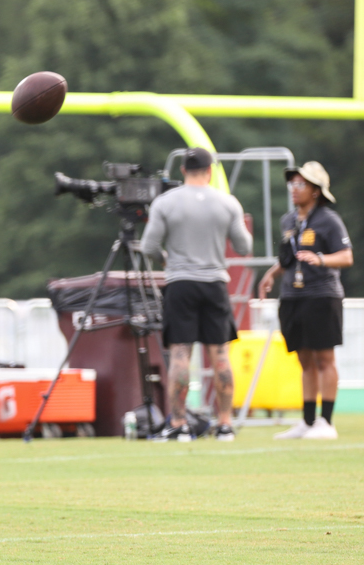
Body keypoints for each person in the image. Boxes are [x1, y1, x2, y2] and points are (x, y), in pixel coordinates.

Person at [140, 147, 252, 441]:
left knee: (180, 355)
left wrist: (167, 257)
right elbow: (243, 246)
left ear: (182, 171)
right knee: (220, 356)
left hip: (180, 282)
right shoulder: (227, 203)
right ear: (210, 171)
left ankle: (179, 424)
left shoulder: (165, 202)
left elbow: (148, 246)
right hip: (214, 282)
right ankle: (225, 424)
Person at [258, 161, 353, 439]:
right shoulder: (288, 221)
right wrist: (272, 274)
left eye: (300, 184)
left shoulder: (329, 220)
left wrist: (321, 259)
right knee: (304, 359)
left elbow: (347, 256)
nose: (294, 189)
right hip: (292, 296)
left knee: (324, 358)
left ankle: (327, 422)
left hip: (322, 295)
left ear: (315, 191)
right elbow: (289, 257)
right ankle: (308, 421)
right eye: (292, 184)